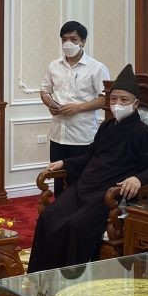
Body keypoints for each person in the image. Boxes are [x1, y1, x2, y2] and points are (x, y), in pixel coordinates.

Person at [28, 64, 148, 272]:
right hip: (85, 186)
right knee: (49, 216)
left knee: (76, 225)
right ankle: (41, 278)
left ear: (135, 104)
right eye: (113, 99)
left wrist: (137, 179)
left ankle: (72, 282)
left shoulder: (144, 134)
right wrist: (65, 163)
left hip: (108, 194)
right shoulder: (106, 127)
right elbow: (90, 156)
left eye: (124, 100)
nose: (117, 104)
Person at [40, 21, 110, 193]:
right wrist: (50, 104)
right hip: (58, 135)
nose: (68, 43)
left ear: (83, 42)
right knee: (59, 181)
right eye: (64, 40)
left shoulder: (97, 68)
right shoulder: (54, 65)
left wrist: (78, 108)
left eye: (73, 39)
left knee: (81, 182)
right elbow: (44, 91)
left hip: (83, 137)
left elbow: (105, 99)